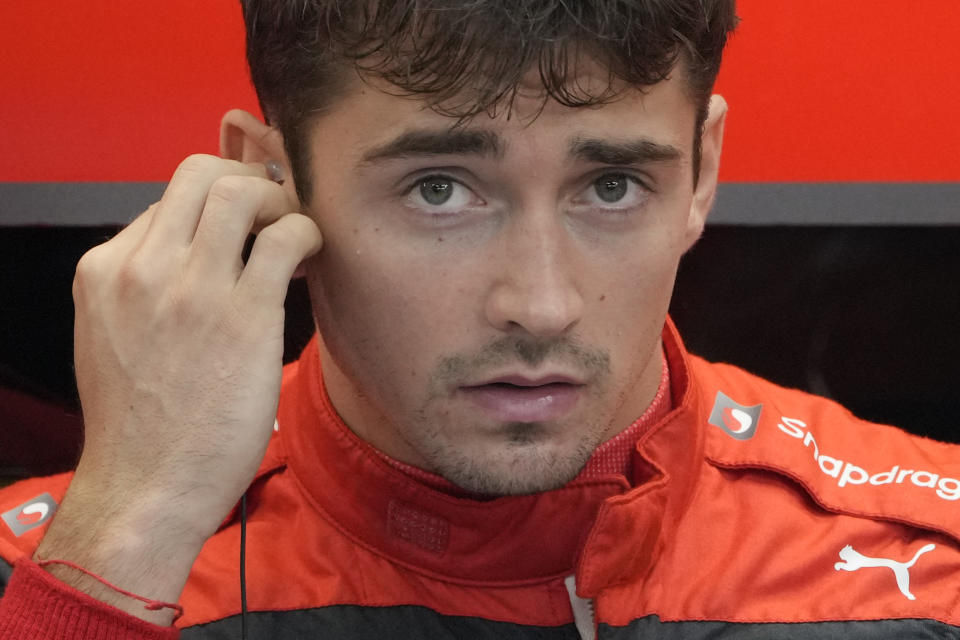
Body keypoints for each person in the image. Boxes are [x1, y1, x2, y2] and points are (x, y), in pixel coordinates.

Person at [1, 1, 958, 638]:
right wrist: (122, 544)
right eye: (439, 189)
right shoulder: (38, 579)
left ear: (702, 168)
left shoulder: (925, 570)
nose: (539, 304)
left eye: (612, 185)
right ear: (272, 177)